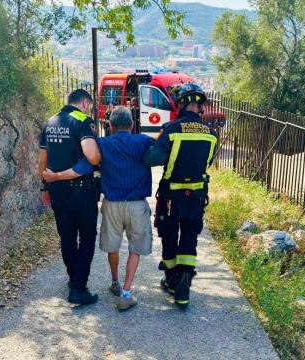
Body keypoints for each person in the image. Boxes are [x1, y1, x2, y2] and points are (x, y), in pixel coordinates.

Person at [43, 107, 155, 311]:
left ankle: (114, 282)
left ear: (110, 126)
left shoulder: (102, 145)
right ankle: (126, 293)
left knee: (113, 246)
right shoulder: (144, 141)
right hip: (137, 205)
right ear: (131, 125)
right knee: (135, 249)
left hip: (111, 204)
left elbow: (82, 168)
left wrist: (55, 177)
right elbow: (160, 154)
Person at [144, 83, 218, 309]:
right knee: (189, 235)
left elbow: (152, 159)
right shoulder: (211, 135)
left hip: (170, 197)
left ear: (181, 104)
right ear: (199, 106)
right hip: (196, 196)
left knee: (168, 234)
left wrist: (152, 144)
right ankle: (184, 288)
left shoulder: (172, 129)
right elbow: (208, 163)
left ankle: (171, 279)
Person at [38, 89, 101, 305]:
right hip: (80, 190)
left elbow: (42, 161)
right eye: (90, 106)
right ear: (85, 103)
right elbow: (92, 156)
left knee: (66, 236)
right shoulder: (83, 121)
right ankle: (78, 288)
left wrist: (44, 188)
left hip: (56, 189)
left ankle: (73, 278)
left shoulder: (50, 122)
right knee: (87, 237)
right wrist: (98, 156)